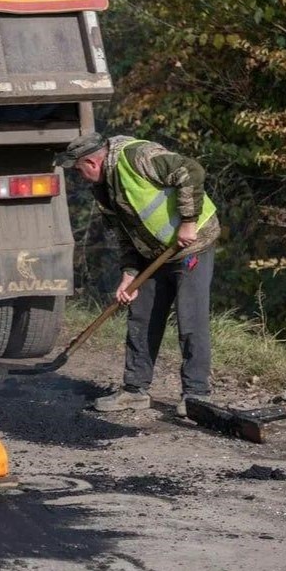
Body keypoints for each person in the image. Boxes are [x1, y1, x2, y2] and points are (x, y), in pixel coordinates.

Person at [57, 132, 220, 417]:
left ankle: (196, 395)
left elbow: (191, 170)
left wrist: (188, 222)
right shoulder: (103, 189)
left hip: (193, 243)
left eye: (79, 170)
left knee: (190, 318)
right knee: (141, 316)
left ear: (92, 162)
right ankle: (134, 390)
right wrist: (130, 274)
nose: (79, 176)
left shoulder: (138, 157)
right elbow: (125, 236)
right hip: (154, 253)